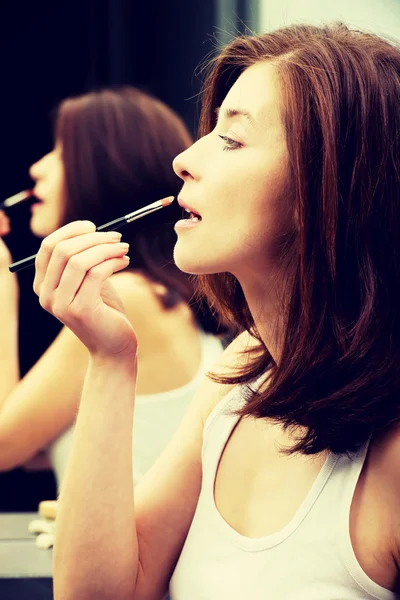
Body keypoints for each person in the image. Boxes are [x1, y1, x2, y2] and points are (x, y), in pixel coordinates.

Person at [33, 22, 400, 600]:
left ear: (326, 183)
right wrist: (109, 358)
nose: (183, 158)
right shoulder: (244, 372)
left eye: (231, 139)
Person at [0, 87, 224, 492]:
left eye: (62, 150)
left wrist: (1, 283)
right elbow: (35, 445)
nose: (37, 168)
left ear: (111, 167)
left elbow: (4, 446)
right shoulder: (152, 293)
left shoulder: (129, 300)